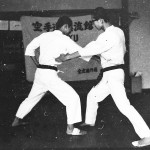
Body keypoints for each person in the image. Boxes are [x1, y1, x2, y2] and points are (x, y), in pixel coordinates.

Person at [55, 7, 150, 147]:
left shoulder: (107, 35)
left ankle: (147, 135)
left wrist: (67, 57)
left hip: (113, 74)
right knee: (92, 95)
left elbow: (90, 49)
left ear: (100, 20)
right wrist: (102, 57)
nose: (94, 24)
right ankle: (89, 121)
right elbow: (115, 49)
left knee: (124, 106)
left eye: (94, 21)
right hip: (111, 73)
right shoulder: (118, 32)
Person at [11, 16, 87, 136]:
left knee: (31, 98)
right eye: (70, 28)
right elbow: (82, 52)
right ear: (65, 26)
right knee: (73, 98)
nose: (71, 31)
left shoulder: (44, 35)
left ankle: (16, 120)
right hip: (49, 75)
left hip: (40, 73)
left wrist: (37, 64)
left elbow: (30, 48)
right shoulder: (64, 39)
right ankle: (71, 129)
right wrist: (96, 57)